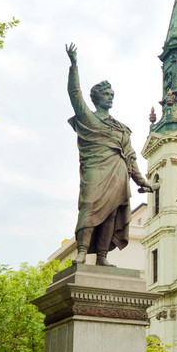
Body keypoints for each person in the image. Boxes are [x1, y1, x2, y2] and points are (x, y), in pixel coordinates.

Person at [65, 43, 153, 265]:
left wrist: (143, 182)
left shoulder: (122, 128)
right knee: (89, 206)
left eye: (112, 94)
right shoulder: (88, 118)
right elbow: (74, 95)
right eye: (106, 94)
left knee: (111, 215)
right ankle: (83, 251)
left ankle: (102, 257)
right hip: (95, 171)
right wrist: (74, 66)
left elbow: (131, 157)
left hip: (118, 174)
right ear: (96, 98)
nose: (110, 97)